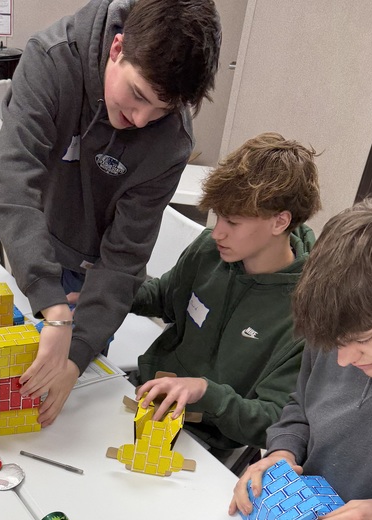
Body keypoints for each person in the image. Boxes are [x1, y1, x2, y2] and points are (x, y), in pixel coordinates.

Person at [0, 0, 221, 426]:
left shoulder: (170, 142)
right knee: (8, 384)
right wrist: (53, 309)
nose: (140, 119)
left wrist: (76, 357)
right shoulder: (53, 59)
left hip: (101, 278)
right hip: (36, 246)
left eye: (161, 110)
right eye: (137, 95)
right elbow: (13, 186)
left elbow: (125, 258)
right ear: (117, 47)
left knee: (76, 412)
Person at [230, 196, 372, 520]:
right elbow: (300, 406)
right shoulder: (339, 329)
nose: (346, 359)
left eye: (364, 341)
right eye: (336, 345)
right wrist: (282, 452)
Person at [133, 132, 320, 454]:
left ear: (280, 222)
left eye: (232, 222)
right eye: (217, 216)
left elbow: (276, 420)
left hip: (210, 440)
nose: (217, 231)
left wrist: (207, 394)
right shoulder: (210, 250)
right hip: (146, 396)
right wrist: (111, 293)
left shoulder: (307, 312)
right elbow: (165, 296)